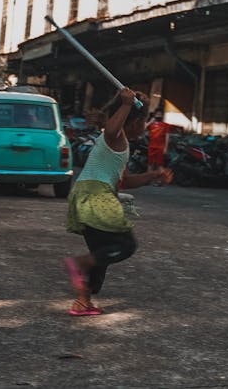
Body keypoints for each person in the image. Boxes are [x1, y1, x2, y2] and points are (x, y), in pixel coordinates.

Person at [63, 88, 173, 316]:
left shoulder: (118, 144)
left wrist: (152, 176)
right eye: (144, 121)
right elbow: (113, 128)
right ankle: (79, 263)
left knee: (101, 254)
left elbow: (124, 182)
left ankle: (83, 302)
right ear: (135, 122)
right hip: (96, 195)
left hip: (86, 194)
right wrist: (126, 104)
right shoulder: (116, 135)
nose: (145, 126)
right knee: (125, 246)